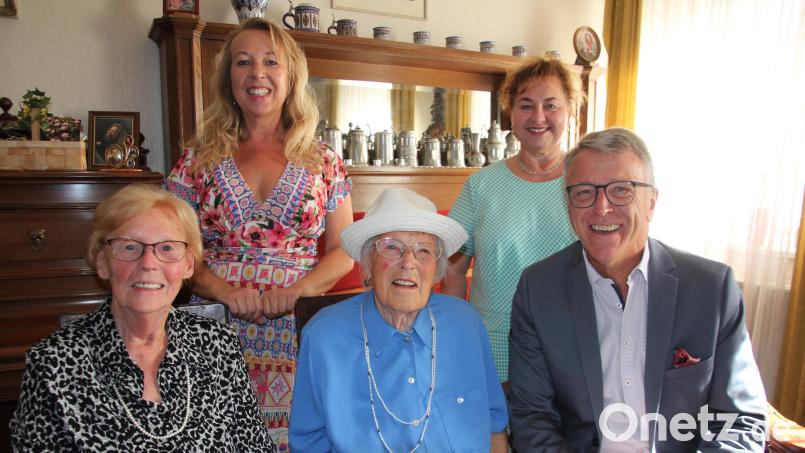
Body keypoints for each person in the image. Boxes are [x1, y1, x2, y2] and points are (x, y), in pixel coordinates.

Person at [508, 128, 767, 452]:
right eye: (584, 193)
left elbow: (741, 422)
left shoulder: (711, 290)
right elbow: (532, 418)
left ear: (651, 202)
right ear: (569, 205)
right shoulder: (538, 289)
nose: (601, 208)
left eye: (621, 190)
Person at [165, 18, 354, 449]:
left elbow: (345, 250)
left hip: (299, 330)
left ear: (291, 77)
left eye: (272, 62)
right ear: (228, 77)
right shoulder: (196, 157)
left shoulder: (324, 159)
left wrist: (300, 289)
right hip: (215, 329)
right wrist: (224, 291)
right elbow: (171, 247)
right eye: (243, 62)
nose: (257, 74)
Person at [10, 184, 276, 451]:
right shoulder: (53, 364)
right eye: (129, 247)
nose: (148, 263)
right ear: (102, 262)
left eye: (167, 248)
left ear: (188, 265)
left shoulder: (219, 346)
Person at [290, 188, 509, 452]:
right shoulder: (325, 337)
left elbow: (494, 431)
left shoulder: (467, 325)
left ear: (435, 271)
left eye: (424, 252)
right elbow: (308, 444)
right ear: (367, 265)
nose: (408, 263)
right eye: (392, 247)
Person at [442, 57, 581, 382]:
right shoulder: (481, 185)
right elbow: (453, 268)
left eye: (551, 105)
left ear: (569, 110)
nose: (538, 117)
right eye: (526, 105)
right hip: (491, 347)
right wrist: (454, 336)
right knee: (494, 433)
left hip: (568, 347)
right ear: (510, 112)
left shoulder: (585, 183)